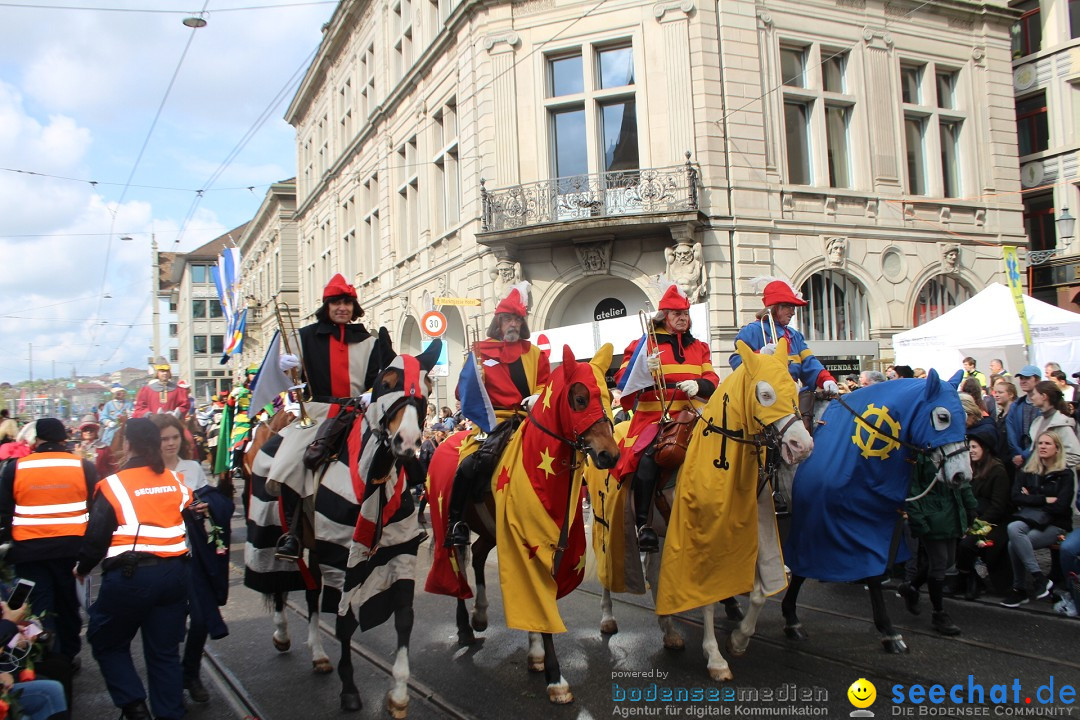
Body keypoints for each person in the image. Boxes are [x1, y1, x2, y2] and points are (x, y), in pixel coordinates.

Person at [269, 273, 395, 560]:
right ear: (326, 306)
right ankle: (292, 534)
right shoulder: (302, 337)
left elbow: (386, 377)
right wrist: (287, 367)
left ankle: (398, 522)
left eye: (348, 303)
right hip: (319, 411)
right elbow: (292, 378)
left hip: (359, 411)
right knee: (290, 462)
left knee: (395, 453)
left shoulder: (369, 341)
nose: (343, 308)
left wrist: (371, 393)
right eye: (337, 303)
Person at [76, 418, 192, 720]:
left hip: (131, 577)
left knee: (106, 640)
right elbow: (184, 508)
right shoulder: (174, 480)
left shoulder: (114, 485)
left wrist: (82, 568)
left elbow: (96, 537)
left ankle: (134, 706)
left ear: (127, 444)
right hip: (175, 576)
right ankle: (170, 715)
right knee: (164, 653)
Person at [445, 283, 550, 548]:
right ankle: (456, 522)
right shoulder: (480, 351)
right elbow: (460, 392)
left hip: (530, 420)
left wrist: (538, 395)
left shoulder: (535, 353)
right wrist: (474, 377)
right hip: (494, 422)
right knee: (469, 463)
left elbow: (546, 384)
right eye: (507, 319)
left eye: (516, 319)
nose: (512, 323)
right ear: (498, 322)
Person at [616, 282, 719, 552]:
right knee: (649, 456)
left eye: (685, 313)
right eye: (676, 313)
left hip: (694, 414)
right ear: (664, 315)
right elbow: (622, 379)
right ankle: (644, 526)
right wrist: (643, 368)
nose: (683, 317)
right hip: (655, 418)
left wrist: (700, 386)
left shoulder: (699, 346)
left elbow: (711, 377)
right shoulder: (643, 343)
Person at [0, 418, 96, 669]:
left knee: (33, 605)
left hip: (28, 554)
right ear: (64, 439)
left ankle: (43, 653)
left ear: (37, 440)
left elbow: (4, 512)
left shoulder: (14, 468)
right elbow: (95, 509)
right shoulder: (83, 466)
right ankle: (68, 656)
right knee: (67, 604)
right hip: (71, 551)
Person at [149, 414, 226, 705]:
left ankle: (189, 672)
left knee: (202, 619)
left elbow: (209, 500)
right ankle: (170, 684)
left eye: (174, 438)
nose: (170, 444)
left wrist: (207, 506)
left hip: (193, 553)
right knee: (169, 623)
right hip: (161, 556)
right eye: (164, 439)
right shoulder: (148, 471)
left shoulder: (192, 468)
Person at [897, 450, 977, 635]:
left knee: (948, 560)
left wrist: (970, 505)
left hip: (951, 512)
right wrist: (918, 519)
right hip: (931, 514)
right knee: (940, 562)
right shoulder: (919, 455)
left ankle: (911, 587)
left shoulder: (950, 449)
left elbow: (961, 479)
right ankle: (938, 613)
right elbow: (912, 488)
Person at [999, 431, 1075, 608]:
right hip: (1031, 520)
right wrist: (1043, 499)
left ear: (1057, 449)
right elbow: (1016, 497)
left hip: (1055, 523)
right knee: (1015, 529)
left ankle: (1020, 589)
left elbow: (1061, 506)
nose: (1042, 447)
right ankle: (1038, 578)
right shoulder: (1028, 470)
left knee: (1013, 541)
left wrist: (1032, 497)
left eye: (1048, 444)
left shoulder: (1065, 475)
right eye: (1040, 443)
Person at [730, 278, 839, 396]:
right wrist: (760, 355)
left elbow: (809, 362)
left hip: (791, 395)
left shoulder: (795, 336)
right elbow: (736, 361)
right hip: (760, 398)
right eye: (789, 307)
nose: (793, 312)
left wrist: (826, 379)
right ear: (775, 307)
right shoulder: (751, 331)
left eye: (794, 308)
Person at [955, 424, 1012, 599]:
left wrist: (975, 527)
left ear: (985, 449)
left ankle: (972, 579)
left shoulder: (997, 471)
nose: (971, 451)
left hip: (992, 522)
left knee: (968, 543)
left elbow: (998, 507)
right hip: (973, 518)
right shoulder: (970, 469)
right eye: (969, 447)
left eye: (974, 447)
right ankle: (967, 576)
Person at [1026, 380, 1080, 468]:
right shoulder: (1037, 421)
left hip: (1057, 479)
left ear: (1044, 396)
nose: (1032, 398)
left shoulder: (1061, 423)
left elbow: (1075, 456)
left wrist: (1051, 466)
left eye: (1034, 394)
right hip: (1038, 477)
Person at [1005, 365, 1042, 469]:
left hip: (1039, 460)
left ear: (1037, 380)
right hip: (1019, 461)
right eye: (1021, 378)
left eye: (1027, 378)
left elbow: (1043, 433)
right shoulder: (1016, 406)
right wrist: (1018, 454)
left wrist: (1025, 455)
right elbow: (1011, 432)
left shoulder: (1044, 405)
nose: (1023, 381)